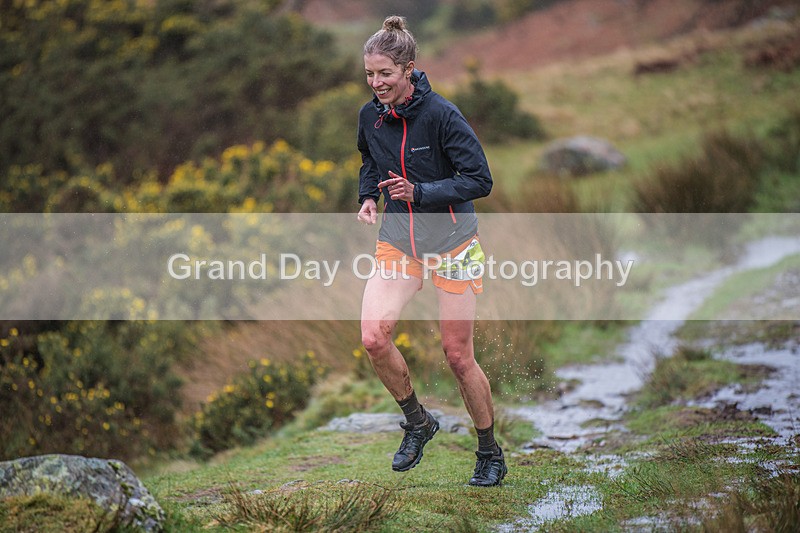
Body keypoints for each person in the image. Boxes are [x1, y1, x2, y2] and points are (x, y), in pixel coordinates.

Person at [356, 15, 506, 487]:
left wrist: (418, 193)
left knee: (458, 356)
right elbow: (370, 159)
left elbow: (479, 180)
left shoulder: (442, 115)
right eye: (369, 74)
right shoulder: (369, 116)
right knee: (373, 337)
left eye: (385, 74)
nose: (377, 83)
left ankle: (489, 451)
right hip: (399, 241)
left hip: (454, 243)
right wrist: (367, 196)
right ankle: (418, 422)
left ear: (408, 69)